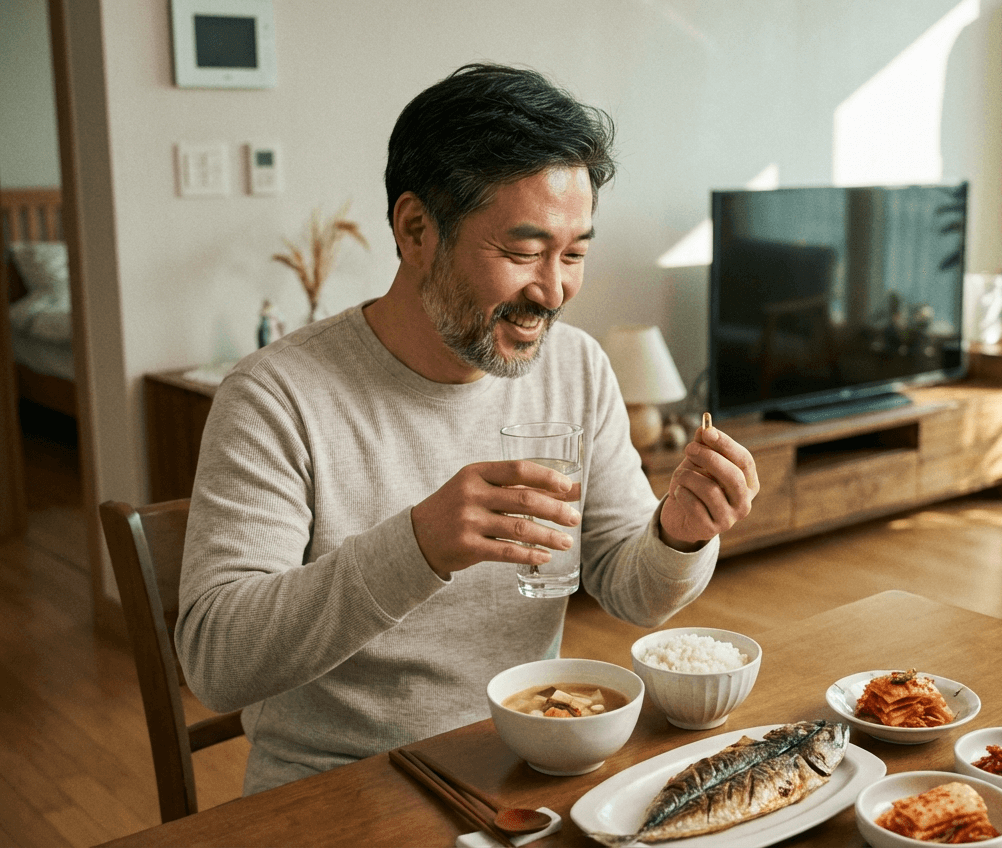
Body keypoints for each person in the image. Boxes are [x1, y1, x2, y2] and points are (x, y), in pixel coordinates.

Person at [175, 63, 759, 795]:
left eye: (575, 253)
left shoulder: (575, 366)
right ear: (416, 229)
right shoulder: (276, 396)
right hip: (337, 787)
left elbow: (632, 589)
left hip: (523, 762)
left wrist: (679, 534)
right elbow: (217, 662)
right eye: (522, 252)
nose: (554, 291)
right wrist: (418, 546)